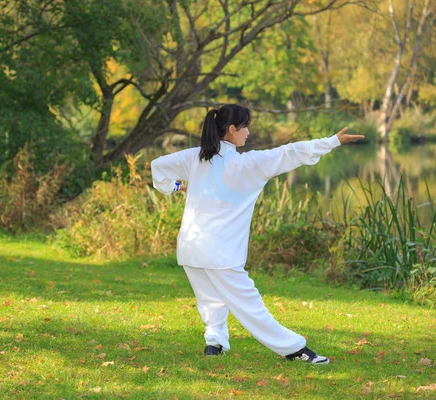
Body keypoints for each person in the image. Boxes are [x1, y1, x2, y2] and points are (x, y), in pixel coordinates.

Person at [150, 104, 364, 364]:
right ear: (231, 130)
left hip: (190, 248)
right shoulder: (245, 164)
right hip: (219, 253)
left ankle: (215, 342)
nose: (248, 133)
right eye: (246, 127)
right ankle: (294, 349)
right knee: (250, 306)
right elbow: (289, 153)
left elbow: (157, 166)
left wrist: (174, 187)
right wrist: (331, 141)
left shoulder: (196, 157)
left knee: (210, 298)